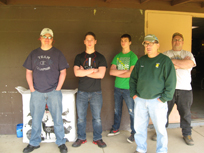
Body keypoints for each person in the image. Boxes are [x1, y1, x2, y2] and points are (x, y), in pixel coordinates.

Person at [23, 28, 69, 153]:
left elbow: (63, 72)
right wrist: (32, 89)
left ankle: (61, 142)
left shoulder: (58, 54)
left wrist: (58, 88)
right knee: (36, 119)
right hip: (37, 92)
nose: (47, 39)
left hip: (54, 92)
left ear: (52, 39)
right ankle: (34, 142)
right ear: (40, 38)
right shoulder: (33, 54)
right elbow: (28, 72)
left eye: (49, 37)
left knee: (58, 119)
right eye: (45, 36)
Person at [129, 34, 176, 153]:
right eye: (146, 44)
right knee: (139, 128)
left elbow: (171, 81)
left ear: (157, 45)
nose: (148, 46)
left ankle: (161, 150)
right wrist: (134, 94)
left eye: (151, 43)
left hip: (157, 101)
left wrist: (164, 98)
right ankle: (140, 149)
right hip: (140, 100)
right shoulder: (142, 61)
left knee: (160, 129)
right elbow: (133, 78)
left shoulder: (165, 61)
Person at [151, 32, 196, 146]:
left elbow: (189, 63)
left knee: (185, 114)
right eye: (175, 39)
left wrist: (172, 63)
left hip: (185, 89)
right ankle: (160, 132)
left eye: (179, 40)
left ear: (183, 42)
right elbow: (163, 68)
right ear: (172, 41)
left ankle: (187, 134)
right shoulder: (166, 54)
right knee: (163, 113)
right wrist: (181, 63)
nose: (177, 42)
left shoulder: (188, 54)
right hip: (168, 89)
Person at [72, 32, 107, 148]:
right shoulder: (79, 57)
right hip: (82, 92)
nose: (89, 42)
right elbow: (77, 72)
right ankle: (81, 138)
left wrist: (85, 72)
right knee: (81, 118)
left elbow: (101, 75)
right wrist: (93, 70)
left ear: (95, 41)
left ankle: (98, 138)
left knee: (97, 118)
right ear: (84, 41)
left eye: (92, 39)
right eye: (87, 39)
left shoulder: (101, 57)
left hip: (96, 92)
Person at [107, 34, 138, 143]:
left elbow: (131, 74)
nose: (123, 42)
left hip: (129, 89)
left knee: (132, 112)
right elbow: (111, 71)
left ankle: (134, 133)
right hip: (117, 88)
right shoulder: (117, 56)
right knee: (117, 110)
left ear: (130, 42)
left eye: (125, 40)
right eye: (122, 41)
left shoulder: (133, 57)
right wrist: (125, 72)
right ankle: (115, 129)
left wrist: (119, 73)